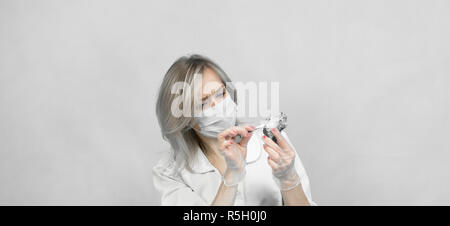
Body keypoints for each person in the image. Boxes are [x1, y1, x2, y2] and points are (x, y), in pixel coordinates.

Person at [153, 54, 316, 206]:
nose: (218, 106)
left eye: (220, 94)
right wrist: (231, 178)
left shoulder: (273, 143)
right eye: (203, 104)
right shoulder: (170, 172)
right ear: (184, 119)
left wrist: (289, 180)